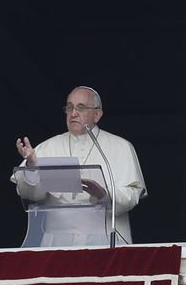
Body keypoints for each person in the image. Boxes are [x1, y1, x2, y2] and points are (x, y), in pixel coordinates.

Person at [13, 86, 146, 246]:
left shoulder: (121, 147)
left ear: (97, 114)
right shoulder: (47, 147)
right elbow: (31, 196)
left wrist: (104, 193)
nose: (73, 113)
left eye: (80, 108)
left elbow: (133, 194)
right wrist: (32, 167)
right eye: (69, 107)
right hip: (57, 243)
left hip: (105, 241)